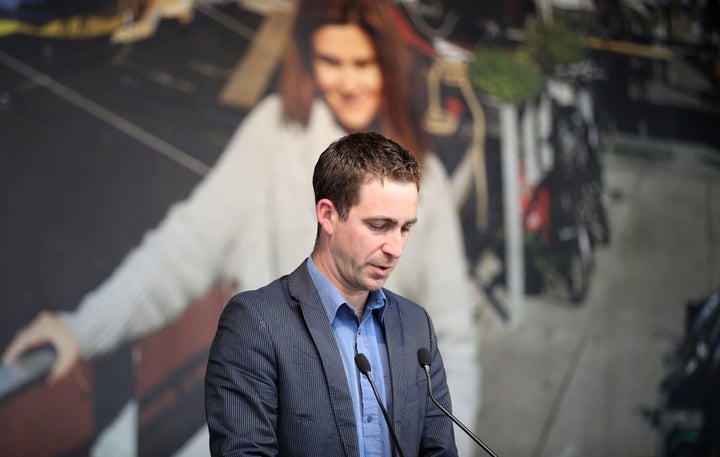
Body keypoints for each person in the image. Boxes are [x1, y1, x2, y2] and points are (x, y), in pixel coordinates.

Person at [2, 0, 481, 454]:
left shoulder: (426, 179)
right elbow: (181, 251)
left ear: (387, 65)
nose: (349, 82)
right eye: (331, 61)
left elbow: (451, 344)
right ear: (308, 62)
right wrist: (82, 330)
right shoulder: (271, 136)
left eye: (364, 63)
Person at [206, 131, 457, 456]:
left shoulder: (416, 324)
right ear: (328, 215)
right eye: (379, 225)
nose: (395, 248)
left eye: (405, 228)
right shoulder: (256, 322)